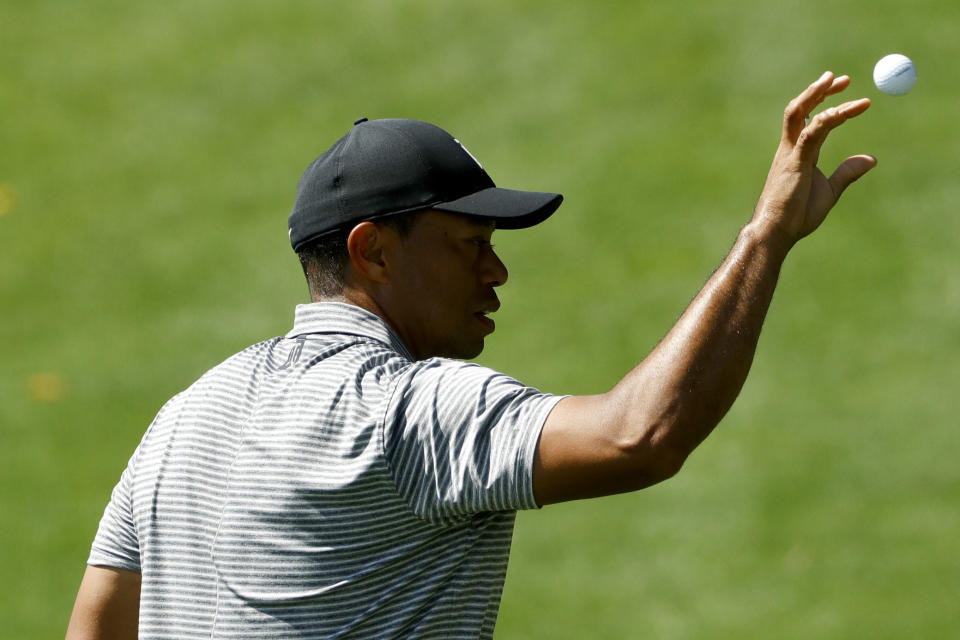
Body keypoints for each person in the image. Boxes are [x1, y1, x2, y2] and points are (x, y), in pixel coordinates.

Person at [66, 72, 875, 639]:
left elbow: (96, 629)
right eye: (468, 245)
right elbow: (641, 434)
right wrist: (766, 238)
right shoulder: (406, 412)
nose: (497, 272)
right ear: (373, 251)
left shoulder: (182, 421)